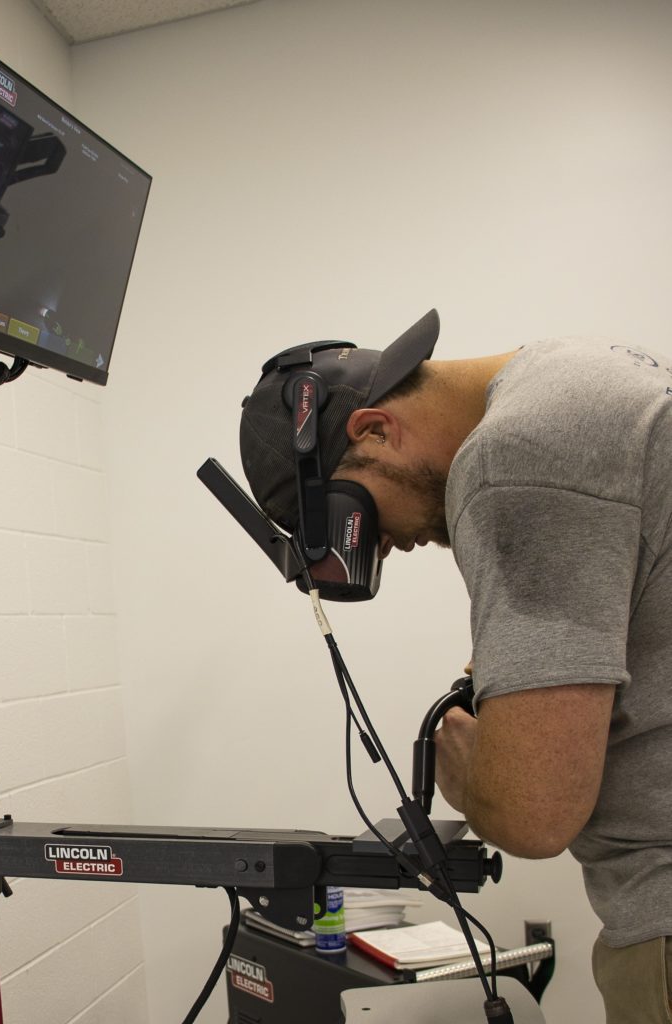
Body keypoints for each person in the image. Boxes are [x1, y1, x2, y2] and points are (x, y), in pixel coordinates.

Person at [238, 309, 672, 1024]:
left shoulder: (516, 454)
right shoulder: (585, 371)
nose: (396, 547)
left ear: (373, 429)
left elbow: (534, 816)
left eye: (367, 524)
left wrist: (470, 770)